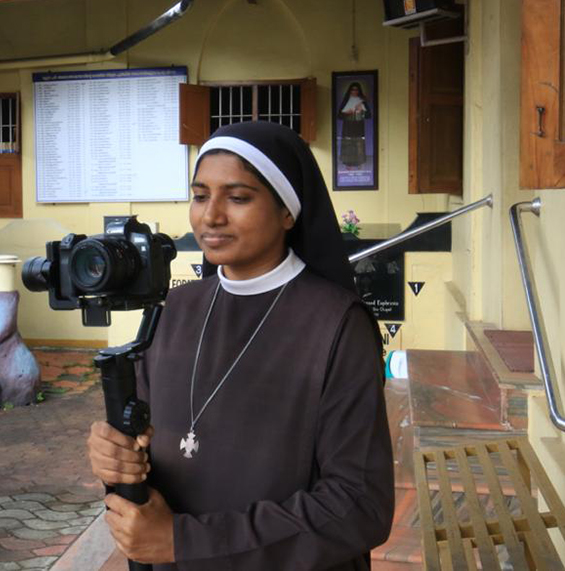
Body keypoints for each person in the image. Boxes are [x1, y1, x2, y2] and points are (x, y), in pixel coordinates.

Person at [87, 121, 394, 569]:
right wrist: (114, 456)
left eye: (238, 197)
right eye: (199, 195)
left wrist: (185, 540)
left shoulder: (336, 324)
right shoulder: (174, 307)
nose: (210, 216)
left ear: (288, 212)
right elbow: (143, 447)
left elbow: (357, 505)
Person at [337, 82, 370, 168]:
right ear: (350, 91)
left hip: (358, 126)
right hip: (348, 126)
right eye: (352, 89)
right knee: (348, 144)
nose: (354, 91)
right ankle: (348, 163)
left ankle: (359, 163)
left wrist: (361, 111)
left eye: (356, 89)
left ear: (359, 91)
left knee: (358, 144)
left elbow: (369, 115)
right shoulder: (346, 100)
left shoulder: (361, 101)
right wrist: (347, 113)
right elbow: (339, 116)